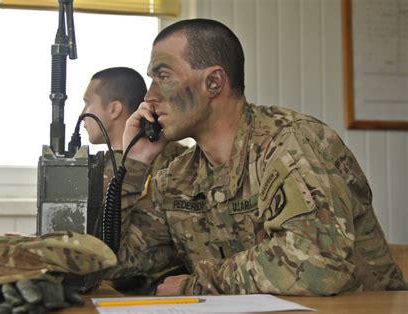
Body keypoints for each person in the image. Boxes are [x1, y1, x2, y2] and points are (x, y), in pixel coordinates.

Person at [114, 19, 407, 296]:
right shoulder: (177, 177)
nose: (149, 97)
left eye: (163, 77)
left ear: (214, 82)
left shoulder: (290, 143)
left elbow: (316, 264)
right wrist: (132, 165)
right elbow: (114, 265)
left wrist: (196, 286)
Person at [80, 67, 188, 293]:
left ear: (114, 109)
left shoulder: (173, 162)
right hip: (106, 284)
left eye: (88, 103)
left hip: (157, 291)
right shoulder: (95, 169)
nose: (82, 115)